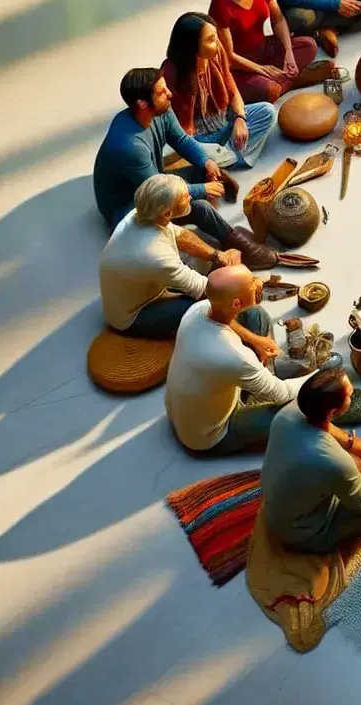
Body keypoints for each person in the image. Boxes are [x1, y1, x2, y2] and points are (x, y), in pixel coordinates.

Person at [91, 68, 276, 267]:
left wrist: (206, 161)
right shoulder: (130, 146)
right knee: (199, 207)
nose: (170, 94)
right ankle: (245, 250)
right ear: (142, 103)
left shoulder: (161, 109)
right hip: (127, 206)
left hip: (153, 180)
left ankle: (210, 181)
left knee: (200, 169)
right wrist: (202, 190)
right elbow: (161, 191)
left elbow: (180, 139)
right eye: (162, 92)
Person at [260, 369, 361, 553]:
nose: (353, 394)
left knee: (353, 463)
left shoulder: (290, 412)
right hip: (304, 533)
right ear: (332, 412)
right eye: (349, 395)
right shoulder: (331, 459)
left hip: (281, 508)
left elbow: (346, 440)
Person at [165, 265, 297, 455]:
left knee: (255, 315)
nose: (258, 283)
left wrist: (255, 340)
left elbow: (228, 320)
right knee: (297, 408)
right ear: (236, 303)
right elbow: (283, 393)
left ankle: (258, 380)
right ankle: (260, 384)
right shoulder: (233, 355)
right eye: (253, 283)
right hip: (208, 435)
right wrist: (320, 375)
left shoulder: (197, 309)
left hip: (185, 412)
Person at [99, 175, 241, 338]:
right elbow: (207, 292)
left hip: (130, 290)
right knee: (205, 305)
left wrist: (217, 255)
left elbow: (181, 235)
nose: (190, 196)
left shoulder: (140, 213)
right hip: (133, 316)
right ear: (167, 213)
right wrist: (236, 280)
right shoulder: (155, 255)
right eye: (184, 197)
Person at [208, 0, 331, 106]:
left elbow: (278, 19)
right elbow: (229, 56)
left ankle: (283, 79)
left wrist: (288, 52)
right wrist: (263, 69)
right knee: (270, 91)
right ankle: (296, 80)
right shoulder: (221, 5)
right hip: (240, 66)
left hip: (265, 48)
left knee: (309, 45)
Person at [160, 11, 275, 172]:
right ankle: (223, 158)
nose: (217, 42)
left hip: (225, 122)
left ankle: (226, 158)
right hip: (196, 137)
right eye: (210, 40)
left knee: (267, 111)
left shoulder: (216, 53)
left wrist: (240, 118)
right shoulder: (170, 71)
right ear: (192, 45)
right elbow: (168, 122)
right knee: (177, 152)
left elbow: (232, 89)